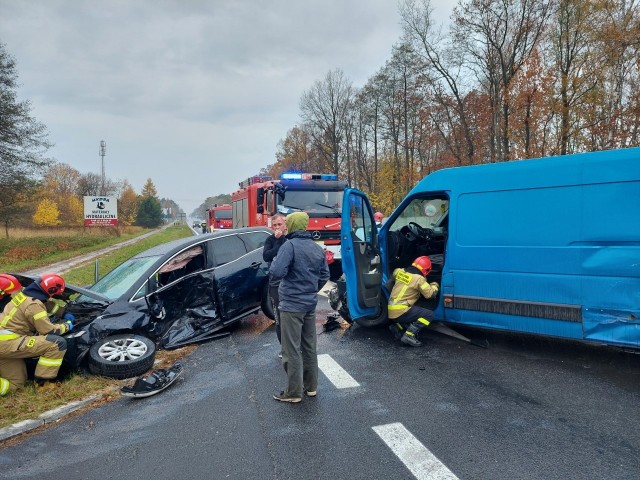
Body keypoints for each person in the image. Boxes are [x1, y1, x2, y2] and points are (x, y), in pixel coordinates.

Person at [269, 212, 329, 403]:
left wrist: (276, 267)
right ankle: (311, 387)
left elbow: (277, 272)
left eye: (287, 223)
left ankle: (293, 392)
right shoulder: (316, 248)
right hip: (310, 304)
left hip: (291, 305)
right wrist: (311, 290)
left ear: (293, 225)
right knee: (309, 345)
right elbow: (324, 275)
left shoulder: (290, 246)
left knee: (291, 349)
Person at [0, 273, 74, 396]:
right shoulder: (34, 305)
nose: (54, 297)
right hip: (7, 343)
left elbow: (46, 304)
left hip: (4, 344)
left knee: (15, 385)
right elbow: (49, 331)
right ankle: (43, 384)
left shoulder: (24, 296)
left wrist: (63, 312)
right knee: (56, 343)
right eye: (55, 294)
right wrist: (67, 325)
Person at [387, 256, 439, 347]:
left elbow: (394, 273)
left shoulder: (400, 271)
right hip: (401, 311)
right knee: (429, 315)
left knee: (414, 308)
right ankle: (409, 335)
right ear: (426, 270)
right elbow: (430, 295)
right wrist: (435, 285)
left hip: (391, 309)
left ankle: (397, 327)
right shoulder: (419, 279)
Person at [262, 214, 287, 349]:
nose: (277, 227)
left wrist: (282, 238)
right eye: (275, 225)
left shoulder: (289, 239)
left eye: (279, 224)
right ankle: (283, 347)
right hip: (275, 282)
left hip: (289, 281)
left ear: (285, 225)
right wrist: (277, 240)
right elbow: (266, 256)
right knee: (279, 317)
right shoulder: (270, 240)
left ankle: (295, 345)